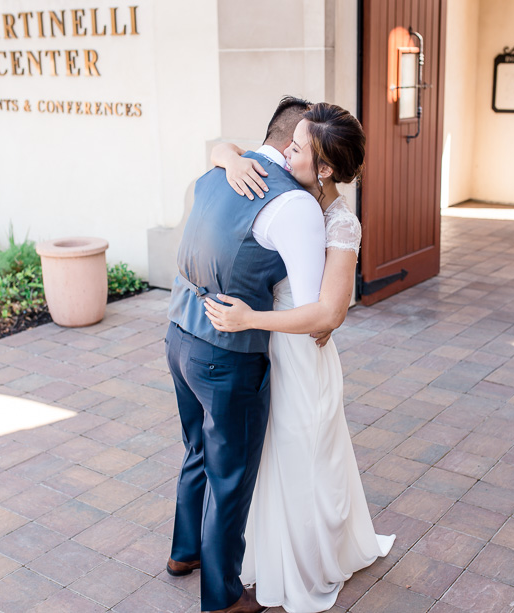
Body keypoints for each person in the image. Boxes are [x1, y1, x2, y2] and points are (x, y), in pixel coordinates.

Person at [204, 103, 395, 613]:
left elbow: (329, 312)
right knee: (271, 459)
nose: (284, 150)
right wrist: (230, 158)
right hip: (272, 353)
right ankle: (267, 554)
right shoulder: (286, 188)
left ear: (326, 168)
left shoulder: (341, 224)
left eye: (297, 147)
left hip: (300, 355)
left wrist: (250, 320)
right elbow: (217, 148)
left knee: (301, 458)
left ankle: (307, 566)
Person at [165, 96, 328, 613]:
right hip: (225, 351)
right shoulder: (290, 203)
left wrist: (227, 154)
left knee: (196, 448)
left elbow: (220, 150)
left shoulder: (217, 172)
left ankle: (183, 553)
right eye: (306, 145)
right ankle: (223, 597)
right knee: (230, 474)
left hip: (177, 331)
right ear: (292, 145)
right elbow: (312, 305)